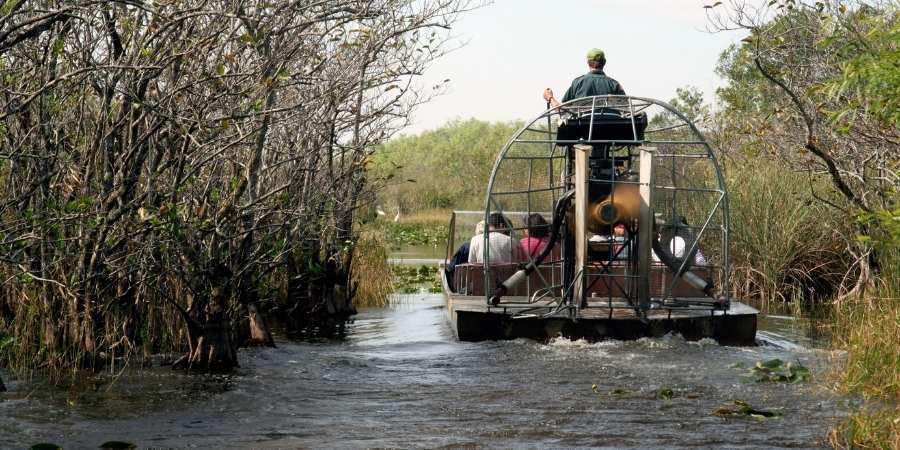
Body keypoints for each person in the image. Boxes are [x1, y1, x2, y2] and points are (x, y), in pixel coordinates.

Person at [542, 48, 625, 108]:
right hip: (612, 130)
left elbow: (562, 110)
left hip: (581, 130)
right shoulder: (615, 84)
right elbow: (626, 109)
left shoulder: (578, 83)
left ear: (588, 63)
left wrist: (550, 97)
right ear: (604, 62)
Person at [445, 221, 482, 292]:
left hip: (471, 286)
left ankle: (453, 291)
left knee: (448, 269)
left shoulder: (467, 247)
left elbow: (450, 268)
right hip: (495, 285)